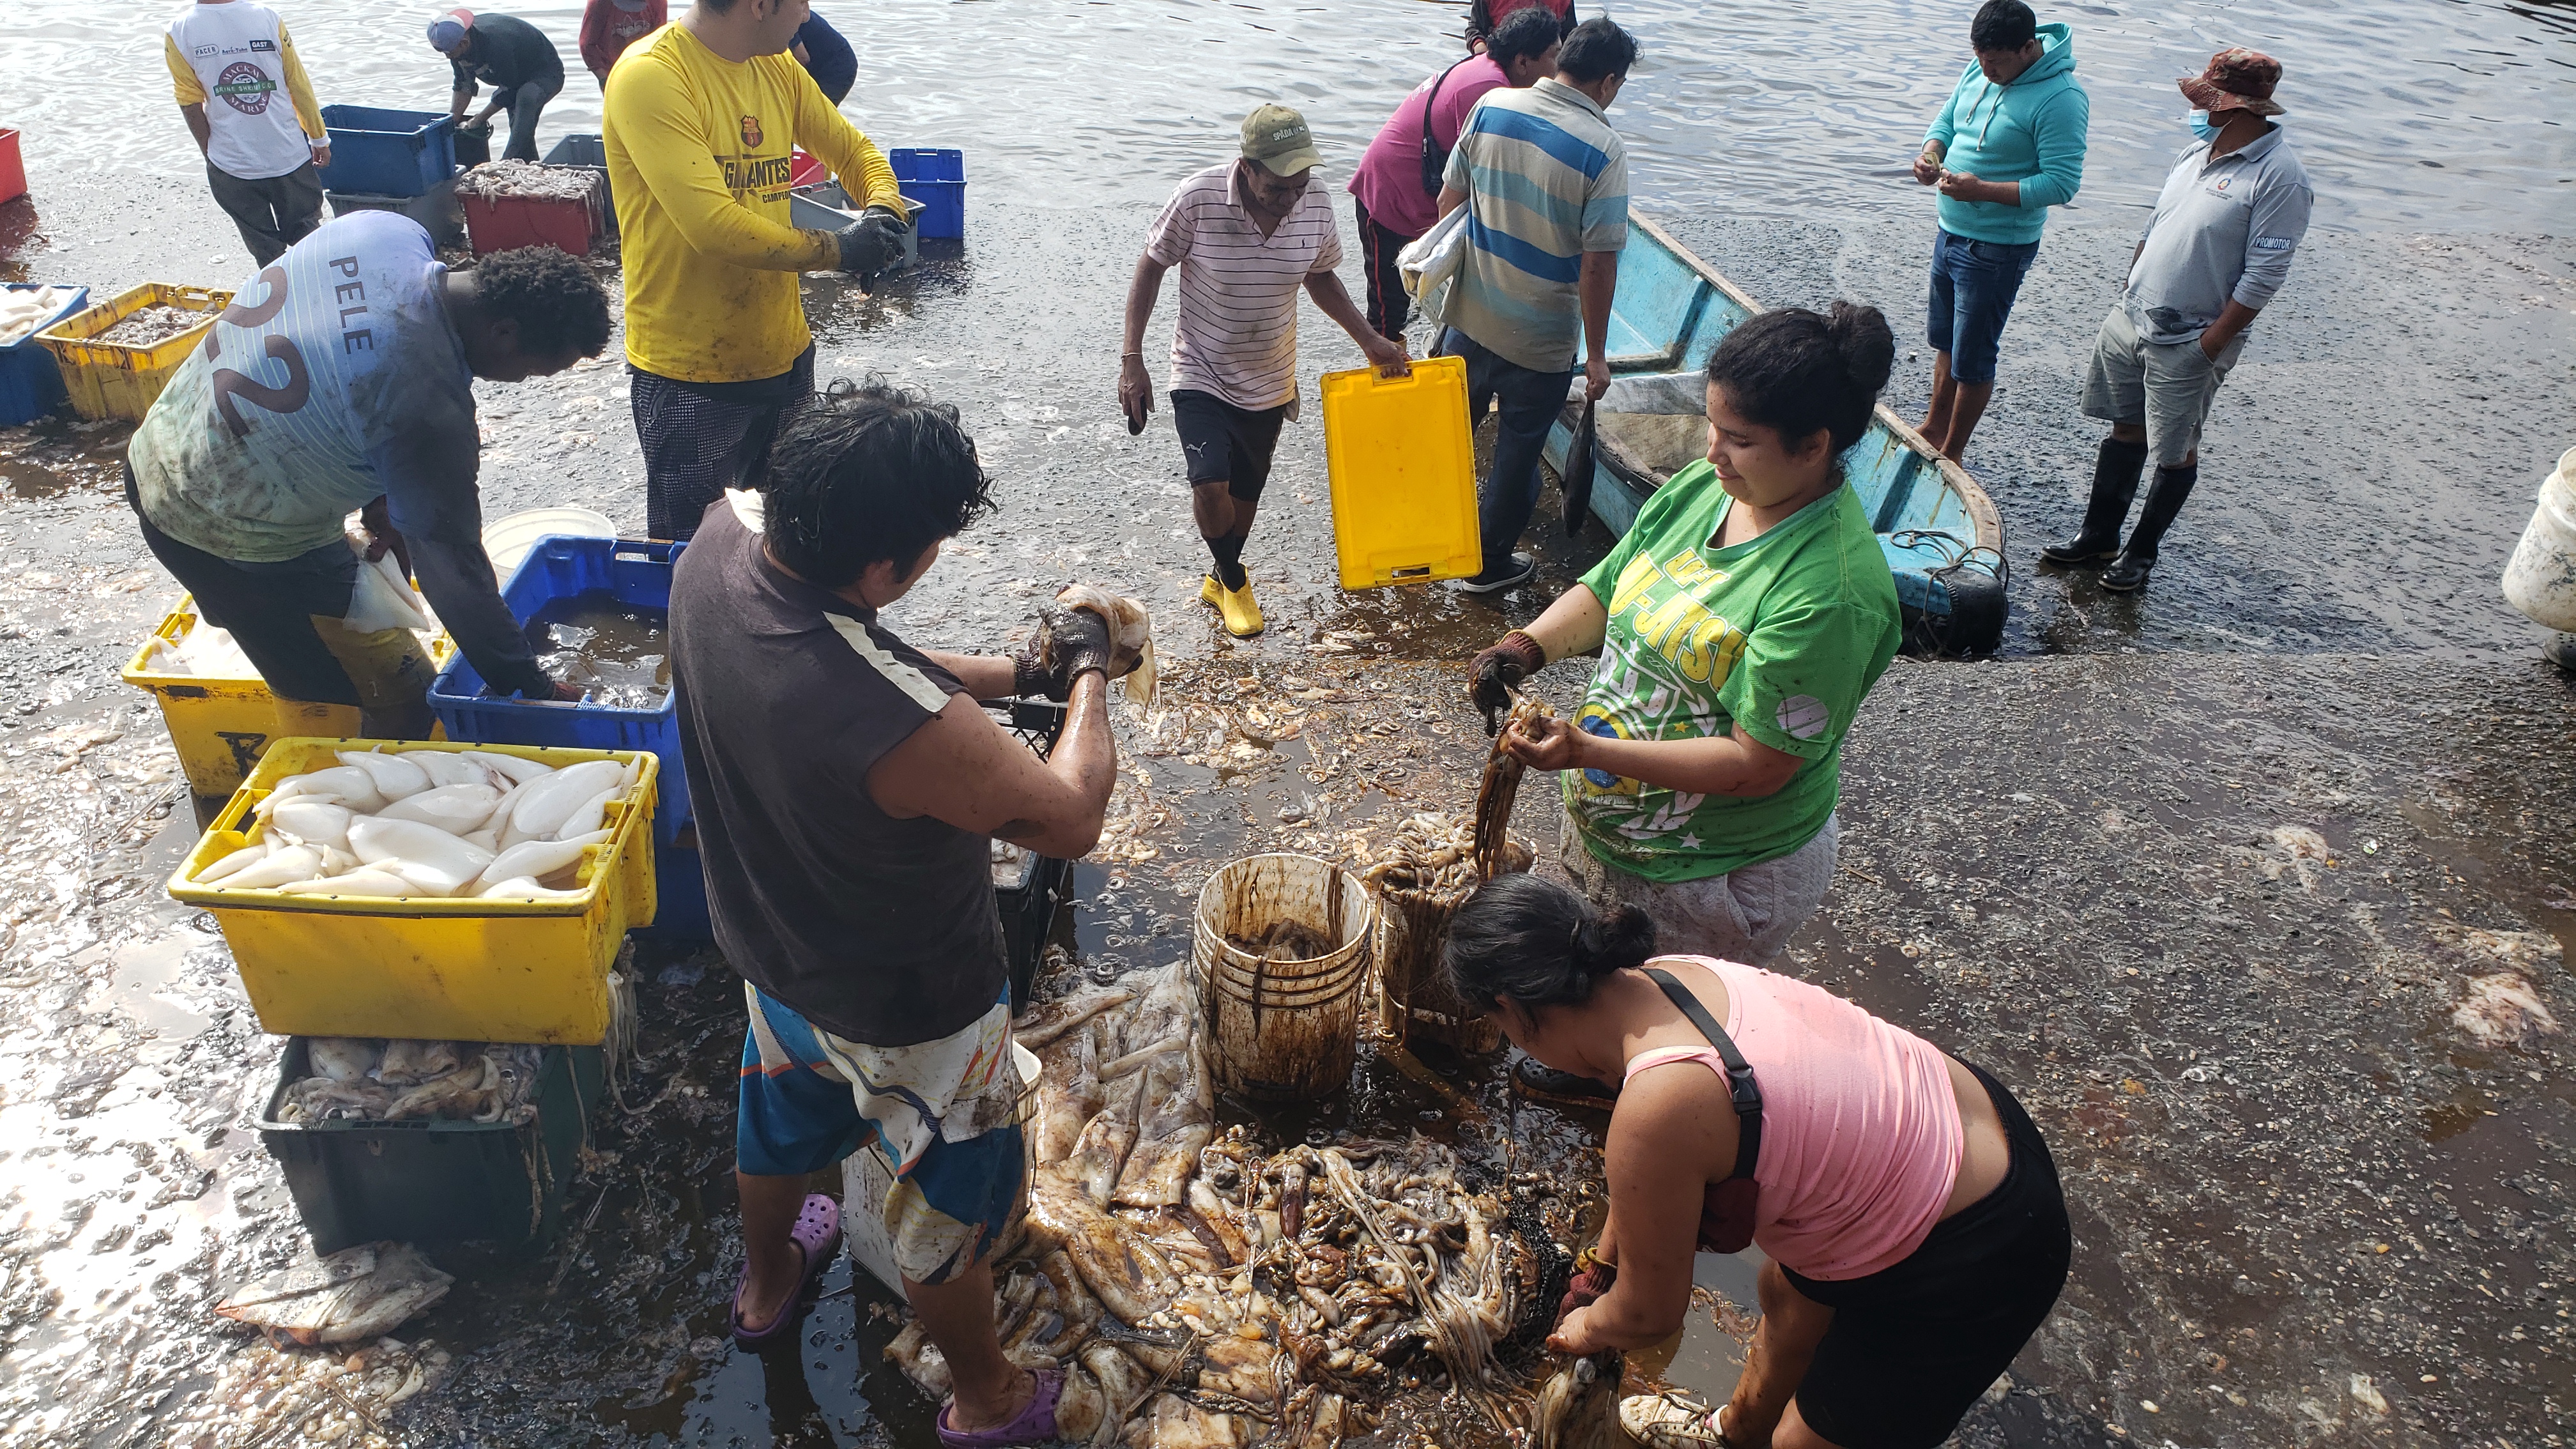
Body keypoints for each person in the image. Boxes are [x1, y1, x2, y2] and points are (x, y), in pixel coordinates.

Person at [670, 379, 1135, 1446]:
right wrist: (1087, 678)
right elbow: (1068, 818)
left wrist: (1020, 671)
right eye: (924, 550)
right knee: (948, 1204)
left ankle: (767, 1278)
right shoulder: (894, 722)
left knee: (779, 1128)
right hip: (910, 1011)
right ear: (886, 567)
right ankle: (985, 1396)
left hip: (775, 957)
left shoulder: (715, 545)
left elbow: (862, 650)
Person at [1441, 875, 2071, 1449]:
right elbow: (1647, 1186)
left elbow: (1649, 1314)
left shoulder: (1661, 1101)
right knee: (1785, 1294)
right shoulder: (1662, 980)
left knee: (1805, 1444)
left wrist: (1581, 1332)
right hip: (1968, 1122)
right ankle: (1734, 1436)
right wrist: (1599, 1265)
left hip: (1980, 1246)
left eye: (1498, 1025)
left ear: (1512, 1005)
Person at [1468, 303, 1904, 1103]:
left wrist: (1588, 752)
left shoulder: (1830, 592)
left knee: (1677, 1024)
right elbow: (1611, 583)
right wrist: (1524, 646)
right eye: (1712, 426)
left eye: (1740, 440)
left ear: (1815, 449)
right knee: (1618, 982)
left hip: (1717, 869)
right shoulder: (1705, 490)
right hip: (1625, 829)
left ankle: (1645, 1098)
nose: (1714, 454)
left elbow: (1757, 764)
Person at [124, 215, 611, 735]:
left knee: (360, 660)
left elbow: (340, 354)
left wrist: (382, 497)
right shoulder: (426, 407)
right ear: (505, 334)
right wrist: (530, 687)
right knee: (365, 700)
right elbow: (454, 574)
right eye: (536, 371)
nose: (523, 383)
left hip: (160, 445)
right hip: (219, 527)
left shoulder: (383, 231)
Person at [604, 0, 909, 540]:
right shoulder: (651, 76)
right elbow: (715, 227)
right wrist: (840, 250)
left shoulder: (775, 63)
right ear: (760, 4)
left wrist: (882, 214)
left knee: (785, 532)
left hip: (783, 350)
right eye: (802, 1)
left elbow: (853, 151)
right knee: (689, 544)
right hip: (690, 367)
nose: (809, 13)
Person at [1117, 103, 1409, 638]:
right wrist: (1132, 359)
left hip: (1271, 374)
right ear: (1246, 166)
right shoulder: (1197, 198)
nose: (1290, 197)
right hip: (1200, 368)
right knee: (1210, 485)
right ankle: (1234, 581)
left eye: (1299, 184)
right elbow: (1151, 266)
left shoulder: (1315, 201)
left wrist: (1371, 342)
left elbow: (1320, 278)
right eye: (1279, 186)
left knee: (1241, 505)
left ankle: (1221, 574)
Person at [2042, 47, 2312, 592]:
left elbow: (2263, 276)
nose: (2198, 109)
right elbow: (2158, 222)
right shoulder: (2194, 154)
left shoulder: (2281, 179)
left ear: (2236, 107)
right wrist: (2130, 283)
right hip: (2133, 319)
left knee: (2175, 448)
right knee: (2125, 427)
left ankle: (2141, 554)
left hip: (2191, 338)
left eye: (2208, 100)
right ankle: (2099, 535)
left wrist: (2210, 346)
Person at [1435, 15, 1636, 594]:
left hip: (1469, 318)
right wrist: (1596, 357)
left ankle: (1418, 537)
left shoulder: (1494, 105)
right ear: (1609, 83)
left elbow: (1451, 199)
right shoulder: (1605, 149)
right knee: (1517, 457)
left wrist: (1447, 289)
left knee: (1447, 434)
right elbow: (1598, 264)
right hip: (1542, 341)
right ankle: (1488, 563)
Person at [1910, 0, 2089, 464]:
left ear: (2029, 48)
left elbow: (2062, 183)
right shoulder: (1978, 68)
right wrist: (1931, 156)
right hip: (1950, 231)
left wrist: (1982, 190)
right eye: (1980, 58)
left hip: (1998, 247)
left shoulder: (2061, 99)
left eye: (1996, 62)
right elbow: (1946, 122)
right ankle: (1933, 426)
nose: (1986, 70)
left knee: (1974, 355)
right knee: (1946, 340)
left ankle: (1953, 452)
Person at [1346, 6, 1561, 342]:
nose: (1559, 67)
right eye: (1554, 56)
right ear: (1523, 62)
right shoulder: (1490, 89)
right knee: (1387, 311)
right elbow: (1483, 181)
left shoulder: (1492, 70)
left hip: (1417, 185)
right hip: (1388, 194)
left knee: (1396, 301)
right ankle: (1386, 378)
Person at [164, 0, 332, 266]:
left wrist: (212, 154)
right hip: (289, 156)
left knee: (267, 255)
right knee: (307, 241)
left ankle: (278, 301)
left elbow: (188, 100)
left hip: (233, 166)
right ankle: (318, 296)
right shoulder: (267, 18)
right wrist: (318, 138)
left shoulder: (179, 31)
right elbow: (297, 83)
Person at [428, 8, 565, 164]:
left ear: (464, 43)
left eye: (449, 53)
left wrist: (478, 120)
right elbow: (463, 86)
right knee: (519, 126)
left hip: (545, 73)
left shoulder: (496, 43)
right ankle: (529, 164)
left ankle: (506, 163)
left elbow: (508, 90)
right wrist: (452, 120)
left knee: (525, 100)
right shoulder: (457, 44)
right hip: (514, 75)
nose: (448, 57)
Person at [579, 0, 664, 89]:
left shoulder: (657, 2)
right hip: (612, 71)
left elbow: (659, 42)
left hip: (646, 69)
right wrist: (605, 79)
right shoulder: (599, 3)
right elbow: (587, 45)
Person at [790, 8, 856, 105]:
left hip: (838, 66)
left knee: (813, 112)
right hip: (827, 58)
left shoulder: (783, 22)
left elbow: (803, 59)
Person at [1466, 0, 1574, 50]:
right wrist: (1480, 49)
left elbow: (1570, 36)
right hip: (1502, 64)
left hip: (1546, 67)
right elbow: (1476, 28)